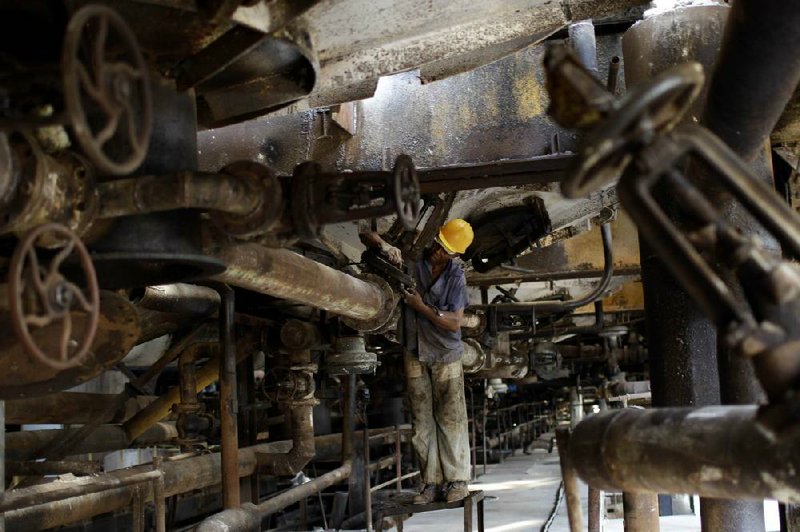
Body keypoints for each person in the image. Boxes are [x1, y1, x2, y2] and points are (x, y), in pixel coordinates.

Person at [360, 219, 474, 504]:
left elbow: (455, 323)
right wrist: (385, 246)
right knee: (421, 420)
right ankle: (430, 483)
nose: (437, 251)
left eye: (445, 250)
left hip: (445, 354)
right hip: (414, 350)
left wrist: (421, 307)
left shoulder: (456, 277)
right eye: (438, 244)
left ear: (455, 254)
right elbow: (365, 235)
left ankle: (457, 481)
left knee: (450, 417)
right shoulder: (412, 262)